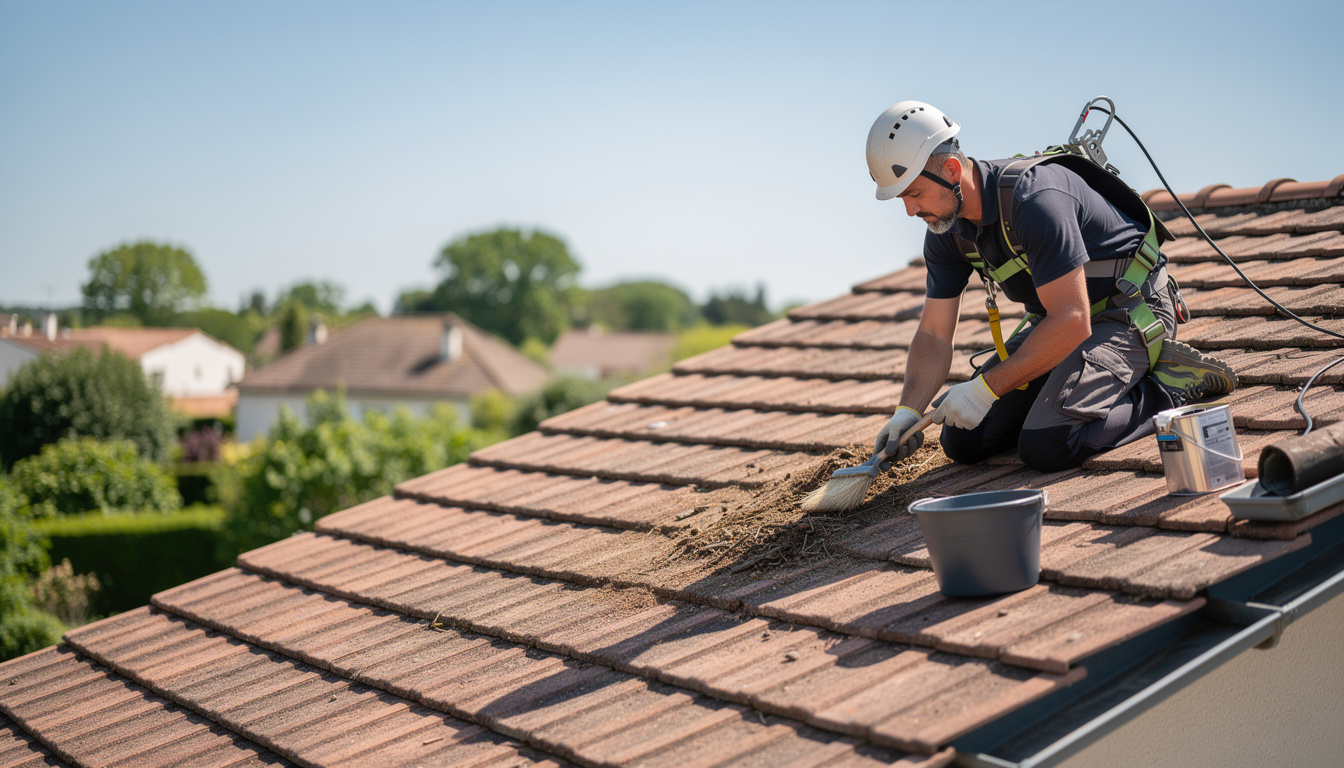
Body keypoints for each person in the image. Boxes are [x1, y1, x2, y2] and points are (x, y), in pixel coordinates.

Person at [866, 100, 1237, 472]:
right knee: (964, 440)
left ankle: (1166, 387)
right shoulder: (947, 231)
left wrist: (984, 389)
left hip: (1130, 310)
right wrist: (907, 411)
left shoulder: (1034, 200)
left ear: (950, 170)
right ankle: (1064, 401)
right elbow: (933, 333)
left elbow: (1072, 320)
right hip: (1060, 326)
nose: (910, 211)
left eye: (914, 194)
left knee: (1050, 443)